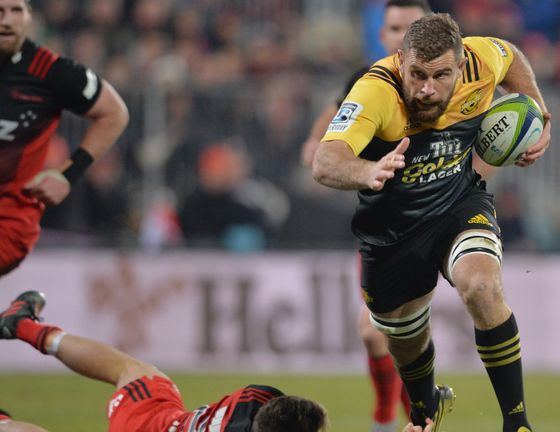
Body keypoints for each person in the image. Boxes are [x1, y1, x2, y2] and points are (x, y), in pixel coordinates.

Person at [312, 12, 551, 432]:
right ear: (400, 60)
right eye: (417, 74)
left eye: (440, 75)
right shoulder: (375, 91)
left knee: (481, 285)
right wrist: (367, 171)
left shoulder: (481, 60)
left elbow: (510, 55)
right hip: (390, 232)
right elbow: (324, 161)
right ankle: (424, 408)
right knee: (405, 342)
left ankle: (518, 422)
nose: (426, 88)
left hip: (457, 206)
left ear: (461, 65)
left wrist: (541, 114)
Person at [301, 2, 429, 431]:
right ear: (382, 35)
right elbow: (320, 142)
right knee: (380, 332)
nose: (402, 38)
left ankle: (401, 418)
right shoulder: (367, 84)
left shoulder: (451, 80)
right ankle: (402, 416)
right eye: (395, 29)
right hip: (387, 224)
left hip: (442, 222)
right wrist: (338, 158)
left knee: (391, 331)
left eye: (411, 29)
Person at [0, 290, 330, 432]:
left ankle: (25, 326)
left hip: (152, 421)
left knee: (132, 371)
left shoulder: (254, 397)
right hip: (151, 424)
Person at [0, 0, 129, 276]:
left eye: (16, 11)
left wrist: (68, 174)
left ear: (29, 16)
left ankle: (18, 321)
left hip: (8, 221)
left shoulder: (50, 71)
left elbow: (114, 112)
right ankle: (19, 320)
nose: (8, 20)